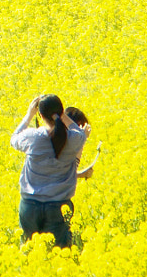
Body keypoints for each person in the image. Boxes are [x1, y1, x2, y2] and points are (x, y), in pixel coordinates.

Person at [11, 94, 90, 248]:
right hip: (59, 207)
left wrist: (29, 115)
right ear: (62, 112)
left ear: (40, 115)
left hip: (30, 206)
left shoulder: (32, 137)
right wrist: (62, 116)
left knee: (29, 252)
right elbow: (79, 133)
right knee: (60, 256)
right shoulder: (74, 139)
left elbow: (14, 138)